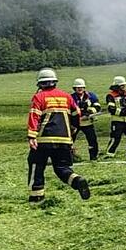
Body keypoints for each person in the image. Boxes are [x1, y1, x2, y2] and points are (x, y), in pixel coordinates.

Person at [27, 68, 91, 202]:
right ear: (55, 82)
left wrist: (32, 136)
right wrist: (73, 128)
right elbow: (76, 113)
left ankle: (36, 196)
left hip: (44, 140)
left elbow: (34, 116)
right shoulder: (66, 96)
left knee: (36, 165)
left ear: (40, 84)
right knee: (62, 167)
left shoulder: (39, 97)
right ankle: (77, 181)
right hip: (64, 140)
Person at [105, 75, 126, 158]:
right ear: (117, 86)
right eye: (122, 85)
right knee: (115, 139)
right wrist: (124, 111)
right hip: (117, 122)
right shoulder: (111, 96)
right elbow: (111, 109)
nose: (124, 87)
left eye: (124, 85)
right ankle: (109, 155)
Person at [71, 78, 101, 160]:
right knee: (70, 140)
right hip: (75, 124)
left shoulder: (91, 96)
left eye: (81, 87)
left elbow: (97, 107)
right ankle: (70, 157)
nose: (80, 89)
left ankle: (93, 156)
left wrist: (88, 113)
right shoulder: (71, 97)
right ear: (74, 88)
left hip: (88, 122)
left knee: (92, 140)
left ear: (84, 88)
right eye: (78, 87)